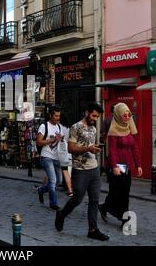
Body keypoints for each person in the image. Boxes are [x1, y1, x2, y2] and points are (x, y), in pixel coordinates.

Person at [55, 102, 109, 241]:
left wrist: (95, 148)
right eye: (93, 116)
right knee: (77, 199)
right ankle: (61, 214)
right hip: (80, 170)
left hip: (94, 168)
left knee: (94, 200)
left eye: (97, 117)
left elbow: (89, 146)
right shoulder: (76, 127)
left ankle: (93, 230)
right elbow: (71, 149)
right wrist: (88, 149)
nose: (95, 119)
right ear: (87, 112)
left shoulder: (93, 129)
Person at [98, 103, 142, 228]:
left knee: (124, 192)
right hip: (117, 165)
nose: (127, 116)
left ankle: (105, 207)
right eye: (125, 114)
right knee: (118, 192)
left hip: (126, 166)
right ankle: (123, 218)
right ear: (118, 115)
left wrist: (138, 165)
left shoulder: (128, 128)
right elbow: (112, 151)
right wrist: (115, 166)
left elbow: (134, 148)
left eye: (129, 114)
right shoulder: (113, 131)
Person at [36, 106, 64, 210]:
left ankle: (42, 190)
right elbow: (39, 142)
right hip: (46, 156)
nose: (58, 118)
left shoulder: (59, 127)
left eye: (59, 116)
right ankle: (53, 203)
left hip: (56, 157)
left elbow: (58, 141)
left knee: (59, 181)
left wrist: (60, 139)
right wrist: (52, 140)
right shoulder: (44, 126)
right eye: (56, 116)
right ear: (50, 115)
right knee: (52, 180)